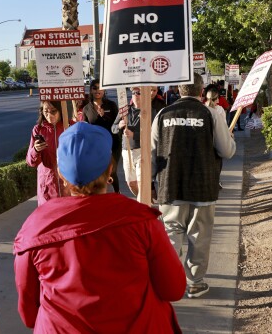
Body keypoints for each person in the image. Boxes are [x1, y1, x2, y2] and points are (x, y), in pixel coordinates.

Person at [14, 122, 186, 333]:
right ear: (110, 168)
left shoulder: (35, 228)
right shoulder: (142, 221)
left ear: (61, 174)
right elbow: (174, 289)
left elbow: (28, 313)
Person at [151, 73, 236, 299]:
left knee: (171, 233)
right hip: (203, 185)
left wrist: (151, 182)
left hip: (170, 185)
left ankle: (169, 280)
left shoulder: (162, 114)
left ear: (179, 90)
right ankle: (195, 283)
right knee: (199, 236)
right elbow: (226, 151)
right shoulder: (211, 114)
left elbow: (152, 152)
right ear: (201, 92)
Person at [112, 86, 165, 196]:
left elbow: (154, 133)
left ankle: (143, 204)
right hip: (127, 151)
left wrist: (134, 135)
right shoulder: (124, 110)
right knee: (131, 183)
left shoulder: (150, 111)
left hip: (143, 150)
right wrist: (119, 126)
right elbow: (113, 128)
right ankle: (143, 200)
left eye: (139, 93)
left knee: (142, 183)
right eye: (134, 93)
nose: (136, 95)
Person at [26, 100, 70, 205]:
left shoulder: (70, 127)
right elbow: (30, 162)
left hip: (68, 182)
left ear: (61, 110)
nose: (49, 115)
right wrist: (35, 150)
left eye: (53, 111)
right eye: (46, 111)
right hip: (48, 183)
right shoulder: (38, 130)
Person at [82, 79, 121, 193]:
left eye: (100, 88)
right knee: (98, 171)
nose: (97, 90)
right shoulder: (86, 109)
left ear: (104, 90)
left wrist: (104, 116)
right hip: (96, 145)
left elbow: (117, 124)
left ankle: (117, 194)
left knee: (111, 170)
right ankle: (101, 195)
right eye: (95, 88)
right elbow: (85, 127)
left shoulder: (111, 105)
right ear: (91, 90)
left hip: (113, 143)